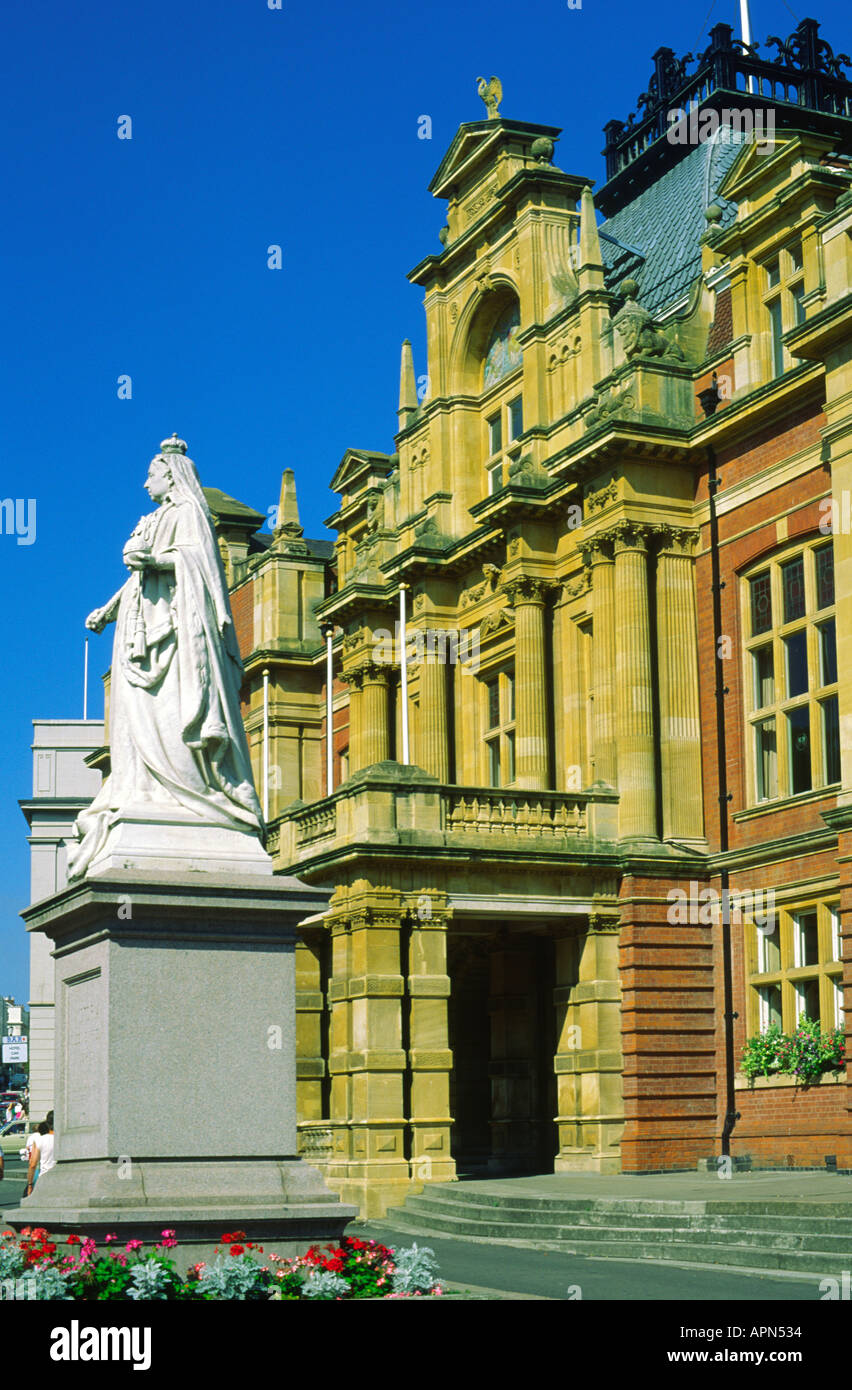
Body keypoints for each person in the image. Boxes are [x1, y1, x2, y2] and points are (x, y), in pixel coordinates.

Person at [66, 436, 263, 880]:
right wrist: (109, 608)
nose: (144, 483)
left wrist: (154, 561)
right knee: (137, 722)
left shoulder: (188, 512)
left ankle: (188, 789)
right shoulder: (156, 517)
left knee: (172, 715)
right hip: (139, 633)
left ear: (170, 475)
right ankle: (146, 789)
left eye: (150, 474)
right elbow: (138, 578)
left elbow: (198, 563)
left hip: (175, 635)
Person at [25, 1113, 53, 1198]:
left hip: (45, 1177)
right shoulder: (64, 1139)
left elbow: (33, 1164)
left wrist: (30, 1184)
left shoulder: (39, 1140)